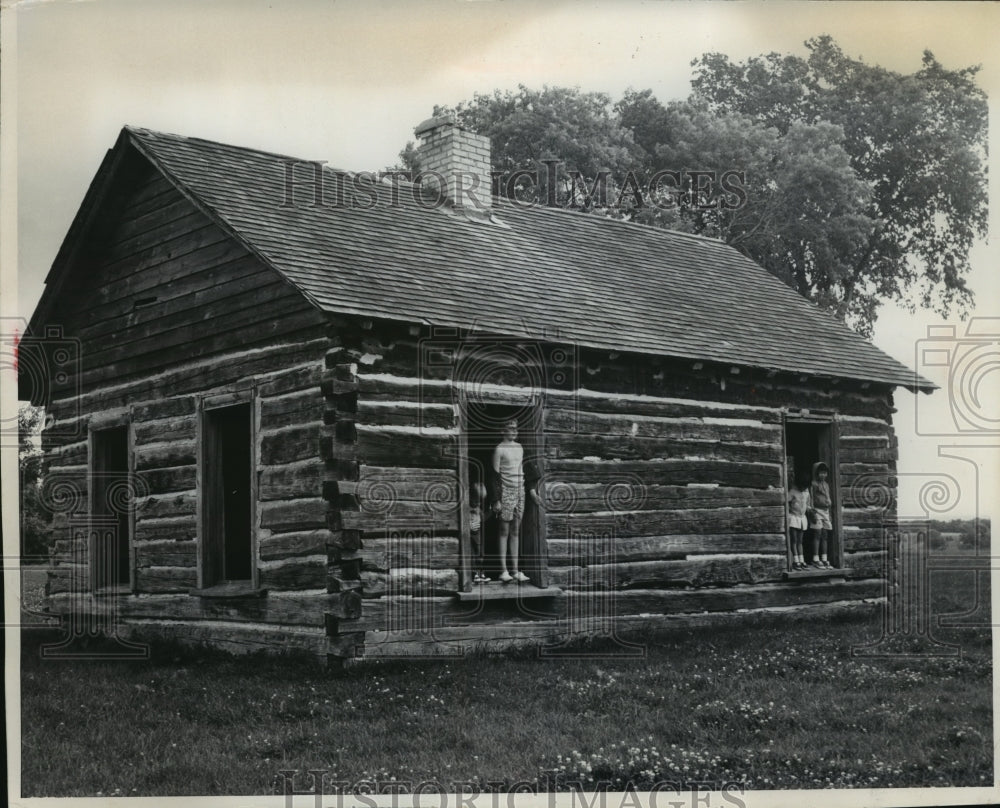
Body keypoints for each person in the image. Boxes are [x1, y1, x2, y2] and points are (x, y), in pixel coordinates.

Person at [492, 419, 529, 583]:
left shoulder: (520, 447)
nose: (514, 431)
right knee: (503, 531)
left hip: (520, 489)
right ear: (503, 431)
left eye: (516, 428)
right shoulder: (499, 449)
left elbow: (522, 468)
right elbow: (494, 476)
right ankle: (503, 570)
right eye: (510, 428)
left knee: (516, 530)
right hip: (506, 491)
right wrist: (496, 499)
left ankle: (514, 570)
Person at [809, 461, 834, 568]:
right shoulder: (813, 484)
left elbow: (828, 498)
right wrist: (812, 512)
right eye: (820, 473)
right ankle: (815, 558)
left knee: (825, 535)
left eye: (825, 473)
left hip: (826, 512)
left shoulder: (826, 484)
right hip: (817, 511)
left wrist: (830, 513)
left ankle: (824, 558)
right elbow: (810, 499)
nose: (823, 475)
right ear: (816, 473)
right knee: (817, 534)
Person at [787, 471, 810, 570]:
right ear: (798, 484)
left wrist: (811, 511)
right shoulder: (792, 492)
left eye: (805, 487)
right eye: (802, 487)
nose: (803, 489)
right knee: (794, 540)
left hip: (802, 518)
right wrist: (788, 513)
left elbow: (808, 504)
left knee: (800, 541)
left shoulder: (806, 491)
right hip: (794, 518)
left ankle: (802, 559)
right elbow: (786, 502)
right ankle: (796, 560)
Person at [469, 481, 489, 583]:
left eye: (480, 501)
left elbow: (483, 517)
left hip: (478, 534)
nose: (478, 503)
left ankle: (481, 573)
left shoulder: (478, 508)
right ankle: (474, 574)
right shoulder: (466, 508)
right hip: (469, 534)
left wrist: (491, 511)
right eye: (476, 501)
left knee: (480, 553)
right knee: (471, 554)